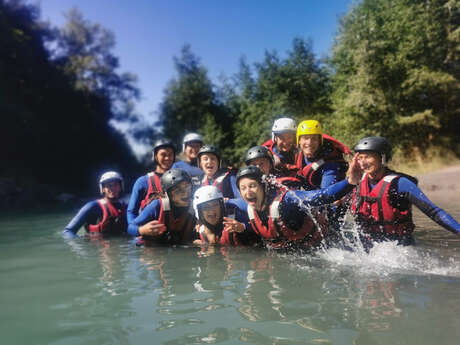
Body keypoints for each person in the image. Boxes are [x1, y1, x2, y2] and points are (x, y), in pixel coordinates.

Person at [350, 136, 460, 245]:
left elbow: (434, 212)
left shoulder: (400, 183)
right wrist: (350, 181)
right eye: (360, 158)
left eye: (368, 157)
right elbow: (334, 199)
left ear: (382, 158)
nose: (362, 162)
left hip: (399, 249)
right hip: (366, 248)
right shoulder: (356, 182)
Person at [234, 165, 360, 250]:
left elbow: (321, 196)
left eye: (252, 186)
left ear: (263, 186)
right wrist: (243, 228)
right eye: (243, 188)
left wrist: (350, 182)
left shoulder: (287, 201)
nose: (248, 192)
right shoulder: (248, 207)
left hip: (323, 249)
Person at [128, 168, 197, 245]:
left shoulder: (194, 207)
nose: (185, 194)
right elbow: (130, 227)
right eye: (178, 190)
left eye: (188, 188)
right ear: (168, 194)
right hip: (153, 252)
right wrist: (141, 230)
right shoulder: (156, 205)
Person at [63, 171, 127, 238]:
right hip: (96, 247)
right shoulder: (92, 206)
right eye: (108, 185)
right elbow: (68, 231)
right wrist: (81, 246)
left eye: (115, 185)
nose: (112, 188)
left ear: (120, 187)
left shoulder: (126, 208)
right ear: (103, 189)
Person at [127, 139, 176, 223]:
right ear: (155, 156)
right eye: (163, 155)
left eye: (170, 154)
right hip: (150, 232)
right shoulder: (143, 181)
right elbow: (131, 212)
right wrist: (137, 230)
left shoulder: (180, 180)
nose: (167, 158)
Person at [192, 185, 258, 246]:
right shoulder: (197, 233)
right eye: (206, 207)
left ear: (221, 207)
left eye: (215, 205)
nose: (212, 210)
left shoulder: (236, 222)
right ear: (199, 212)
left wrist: (243, 229)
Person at [295, 120, 351, 190]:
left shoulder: (330, 162)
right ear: (299, 141)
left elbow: (326, 194)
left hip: (326, 194)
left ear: (319, 141)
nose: (309, 143)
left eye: (314, 139)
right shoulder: (295, 154)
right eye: (305, 138)